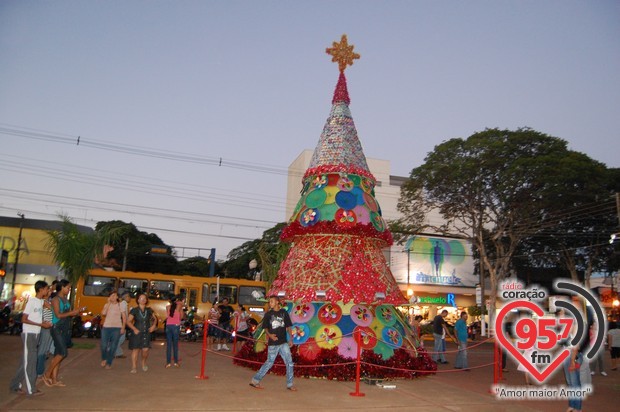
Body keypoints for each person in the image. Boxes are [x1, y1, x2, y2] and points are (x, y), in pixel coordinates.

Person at [9, 280, 52, 397]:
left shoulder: (40, 301)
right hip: (29, 334)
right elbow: (24, 319)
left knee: (26, 361)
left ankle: (15, 385)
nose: (48, 291)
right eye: (47, 289)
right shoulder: (32, 302)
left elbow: (48, 308)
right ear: (41, 289)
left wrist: (42, 323)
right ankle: (31, 389)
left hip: (35, 334)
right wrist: (41, 324)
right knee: (31, 362)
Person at [249, 295, 296, 391]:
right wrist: (270, 335)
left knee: (289, 362)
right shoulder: (268, 314)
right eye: (269, 302)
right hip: (273, 343)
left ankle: (290, 384)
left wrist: (291, 339)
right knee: (269, 362)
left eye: (271, 301)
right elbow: (265, 328)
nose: (270, 303)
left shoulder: (284, 312)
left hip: (283, 342)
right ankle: (255, 380)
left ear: (277, 302)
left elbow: (288, 327)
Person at [43, 279, 84, 387]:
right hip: (57, 328)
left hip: (64, 328)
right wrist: (72, 312)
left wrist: (76, 312)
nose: (69, 289)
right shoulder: (56, 300)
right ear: (61, 287)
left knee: (58, 354)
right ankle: (47, 374)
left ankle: (54, 379)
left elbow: (68, 314)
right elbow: (58, 315)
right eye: (67, 288)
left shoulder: (65, 300)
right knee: (62, 352)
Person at [127, 292, 158, 373]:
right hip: (137, 332)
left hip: (146, 333)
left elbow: (155, 319)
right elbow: (128, 321)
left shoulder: (149, 310)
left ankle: (143, 362)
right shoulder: (134, 310)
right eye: (141, 298)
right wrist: (134, 329)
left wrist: (153, 326)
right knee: (135, 349)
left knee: (145, 350)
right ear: (138, 300)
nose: (143, 300)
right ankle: (134, 367)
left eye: (144, 298)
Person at [100, 290, 126, 369]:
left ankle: (109, 363)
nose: (113, 297)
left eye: (115, 295)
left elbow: (124, 318)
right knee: (104, 345)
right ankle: (104, 358)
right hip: (106, 327)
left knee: (113, 346)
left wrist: (123, 327)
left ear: (117, 297)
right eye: (112, 296)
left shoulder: (120, 305)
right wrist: (108, 303)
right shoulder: (107, 305)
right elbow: (103, 313)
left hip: (117, 328)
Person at [36, 283, 54, 379]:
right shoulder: (43, 302)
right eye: (48, 290)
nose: (49, 291)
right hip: (46, 328)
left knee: (47, 350)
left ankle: (41, 370)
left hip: (49, 327)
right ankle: (39, 371)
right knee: (42, 350)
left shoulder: (48, 301)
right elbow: (54, 311)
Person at [165, 295, 184, 368]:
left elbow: (167, 316)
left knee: (169, 345)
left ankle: (168, 363)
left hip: (168, 325)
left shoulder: (167, 307)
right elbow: (181, 316)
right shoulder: (179, 306)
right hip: (176, 326)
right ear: (176, 300)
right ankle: (176, 362)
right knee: (175, 345)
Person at [114, 289, 131, 359]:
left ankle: (117, 353)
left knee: (120, 338)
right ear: (126, 297)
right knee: (121, 339)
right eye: (129, 297)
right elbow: (124, 315)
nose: (130, 298)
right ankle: (114, 352)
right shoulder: (123, 304)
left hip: (122, 323)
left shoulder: (124, 304)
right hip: (121, 323)